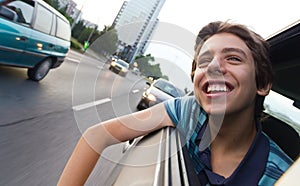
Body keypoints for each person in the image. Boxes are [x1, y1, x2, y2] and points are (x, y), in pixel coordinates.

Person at [58, 21, 293, 185]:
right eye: (204, 61)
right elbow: (96, 135)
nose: (212, 67)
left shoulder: (283, 175)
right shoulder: (187, 111)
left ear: (262, 84)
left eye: (233, 58)